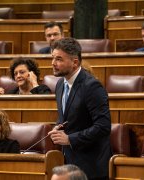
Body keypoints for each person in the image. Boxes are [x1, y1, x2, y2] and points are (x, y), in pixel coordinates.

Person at [48, 37, 112, 180]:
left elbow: (103, 127)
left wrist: (70, 139)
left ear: (75, 62)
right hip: (69, 163)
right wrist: (58, 127)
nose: (53, 63)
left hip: (91, 165)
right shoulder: (59, 85)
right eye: (53, 58)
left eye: (59, 59)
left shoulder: (92, 86)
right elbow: (68, 118)